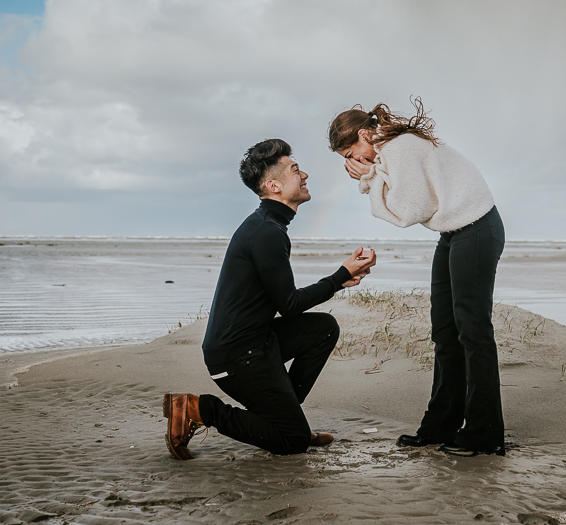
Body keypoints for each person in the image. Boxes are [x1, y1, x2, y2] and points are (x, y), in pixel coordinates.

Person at [164, 138, 377, 460]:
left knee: (322, 328)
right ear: (274, 185)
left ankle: (286, 414)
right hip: (236, 356)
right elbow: (288, 305)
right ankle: (198, 408)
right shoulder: (266, 231)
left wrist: (341, 278)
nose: (304, 175)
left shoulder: (269, 225)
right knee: (292, 442)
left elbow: (284, 305)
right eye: (295, 170)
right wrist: (339, 276)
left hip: (257, 343)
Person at [327, 98, 506, 456]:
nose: (352, 161)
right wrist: (372, 176)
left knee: (472, 331)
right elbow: (404, 201)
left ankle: (485, 434)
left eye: (351, 151)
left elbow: (410, 210)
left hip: (477, 227)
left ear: (365, 134)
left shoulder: (399, 147)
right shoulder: (389, 151)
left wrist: (368, 179)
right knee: (444, 331)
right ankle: (440, 425)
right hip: (454, 231)